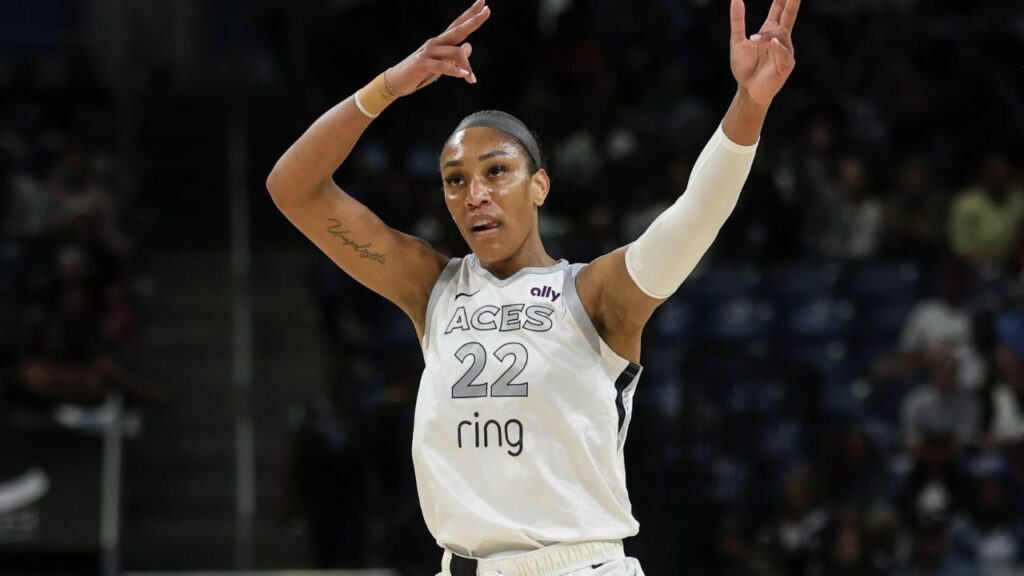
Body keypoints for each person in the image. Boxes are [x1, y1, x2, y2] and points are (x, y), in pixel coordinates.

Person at [266, 0, 800, 573]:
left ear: (540, 184)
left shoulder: (595, 293)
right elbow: (293, 187)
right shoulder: (431, 287)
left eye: (496, 171)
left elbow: (697, 214)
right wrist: (388, 87)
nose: (475, 194)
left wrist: (751, 103)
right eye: (455, 181)